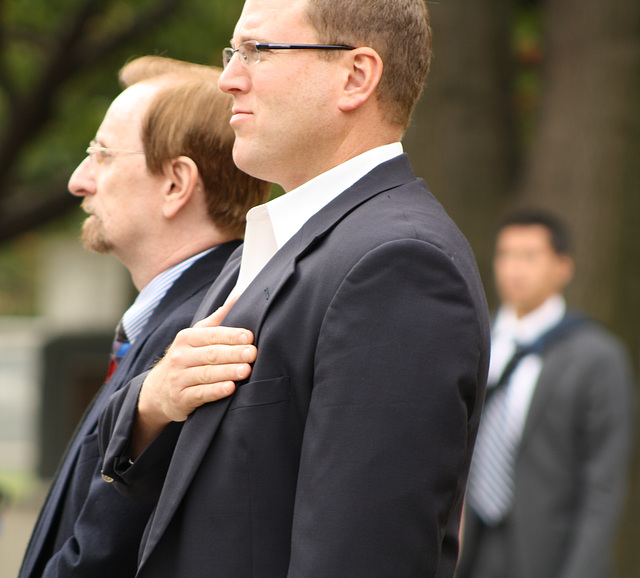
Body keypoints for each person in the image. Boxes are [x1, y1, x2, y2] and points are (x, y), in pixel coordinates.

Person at [98, 0, 491, 575]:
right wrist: (152, 402)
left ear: (355, 76)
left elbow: (359, 558)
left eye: (258, 51)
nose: (229, 79)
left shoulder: (401, 266)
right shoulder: (275, 244)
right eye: (234, 53)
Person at [18, 55, 269, 578]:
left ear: (176, 183)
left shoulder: (200, 337)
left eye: (102, 154)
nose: (78, 181)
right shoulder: (177, 323)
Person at [456, 210, 636, 578]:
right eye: (505, 255)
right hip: (469, 551)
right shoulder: (474, 342)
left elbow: (603, 483)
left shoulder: (597, 358)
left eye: (529, 256)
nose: (514, 269)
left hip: (549, 555)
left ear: (562, 267)